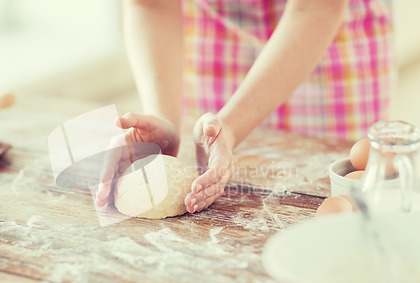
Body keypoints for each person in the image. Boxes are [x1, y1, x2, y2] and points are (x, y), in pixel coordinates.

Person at [95, 0, 393, 214]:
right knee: (218, 166)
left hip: (329, 53)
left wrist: (232, 127)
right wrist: (164, 118)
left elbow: (316, 7)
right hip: (217, 47)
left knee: (338, 194)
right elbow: (152, 4)